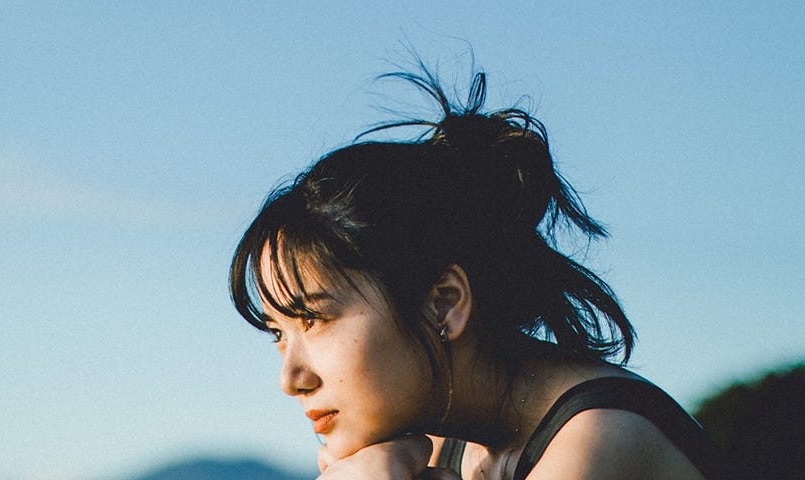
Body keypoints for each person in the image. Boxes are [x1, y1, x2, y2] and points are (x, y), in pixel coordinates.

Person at [228, 67, 727, 479]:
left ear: (444, 302)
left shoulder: (597, 442)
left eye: (314, 320)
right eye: (278, 332)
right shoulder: (448, 443)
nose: (291, 379)